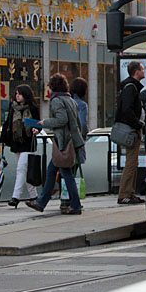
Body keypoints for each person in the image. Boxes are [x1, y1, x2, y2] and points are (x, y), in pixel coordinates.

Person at [25, 73, 85, 215]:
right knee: (52, 171)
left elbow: (61, 120)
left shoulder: (57, 100)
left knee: (66, 173)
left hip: (63, 143)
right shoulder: (70, 99)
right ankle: (41, 202)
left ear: (53, 87)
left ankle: (75, 205)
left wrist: (44, 123)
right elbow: (77, 122)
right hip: (71, 141)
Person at [0, 84, 40, 208]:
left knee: (21, 169)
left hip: (28, 142)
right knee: (25, 170)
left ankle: (15, 197)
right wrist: (2, 139)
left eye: (20, 94)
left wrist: (37, 129)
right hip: (16, 142)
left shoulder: (33, 108)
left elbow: (38, 123)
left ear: (25, 95)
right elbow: (7, 123)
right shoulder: (13, 108)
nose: (17, 96)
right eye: (16, 93)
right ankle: (34, 196)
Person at [116, 61, 145, 204]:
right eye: (142, 69)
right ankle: (125, 194)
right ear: (136, 71)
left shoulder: (130, 87)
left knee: (133, 162)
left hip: (132, 129)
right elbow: (127, 109)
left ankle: (129, 192)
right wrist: (138, 124)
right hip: (131, 130)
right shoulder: (131, 88)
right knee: (131, 162)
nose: (144, 71)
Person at [59, 77, 89, 212]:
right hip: (75, 143)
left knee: (64, 172)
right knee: (71, 172)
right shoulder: (81, 105)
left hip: (63, 142)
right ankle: (71, 201)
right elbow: (82, 124)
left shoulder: (65, 102)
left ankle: (64, 201)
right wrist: (83, 136)